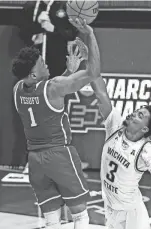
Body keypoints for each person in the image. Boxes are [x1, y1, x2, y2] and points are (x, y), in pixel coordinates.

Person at [12, 18, 100, 229]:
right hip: (59, 155)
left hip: (35, 161)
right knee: (80, 216)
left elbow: (47, 95)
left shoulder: (17, 89)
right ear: (34, 73)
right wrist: (90, 34)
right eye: (41, 63)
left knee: (52, 221)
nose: (46, 63)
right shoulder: (53, 87)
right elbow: (93, 73)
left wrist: (69, 72)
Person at [90, 76, 151, 229]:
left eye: (140, 116)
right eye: (136, 111)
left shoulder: (146, 148)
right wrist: (89, 67)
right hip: (110, 208)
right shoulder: (114, 125)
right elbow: (101, 92)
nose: (134, 114)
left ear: (144, 129)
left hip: (132, 214)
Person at [19, 0, 78, 77]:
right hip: (35, 57)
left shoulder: (65, 6)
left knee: (57, 84)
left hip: (59, 58)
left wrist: (53, 29)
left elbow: (72, 33)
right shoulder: (30, 6)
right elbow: (22, 32)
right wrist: (38, 26)